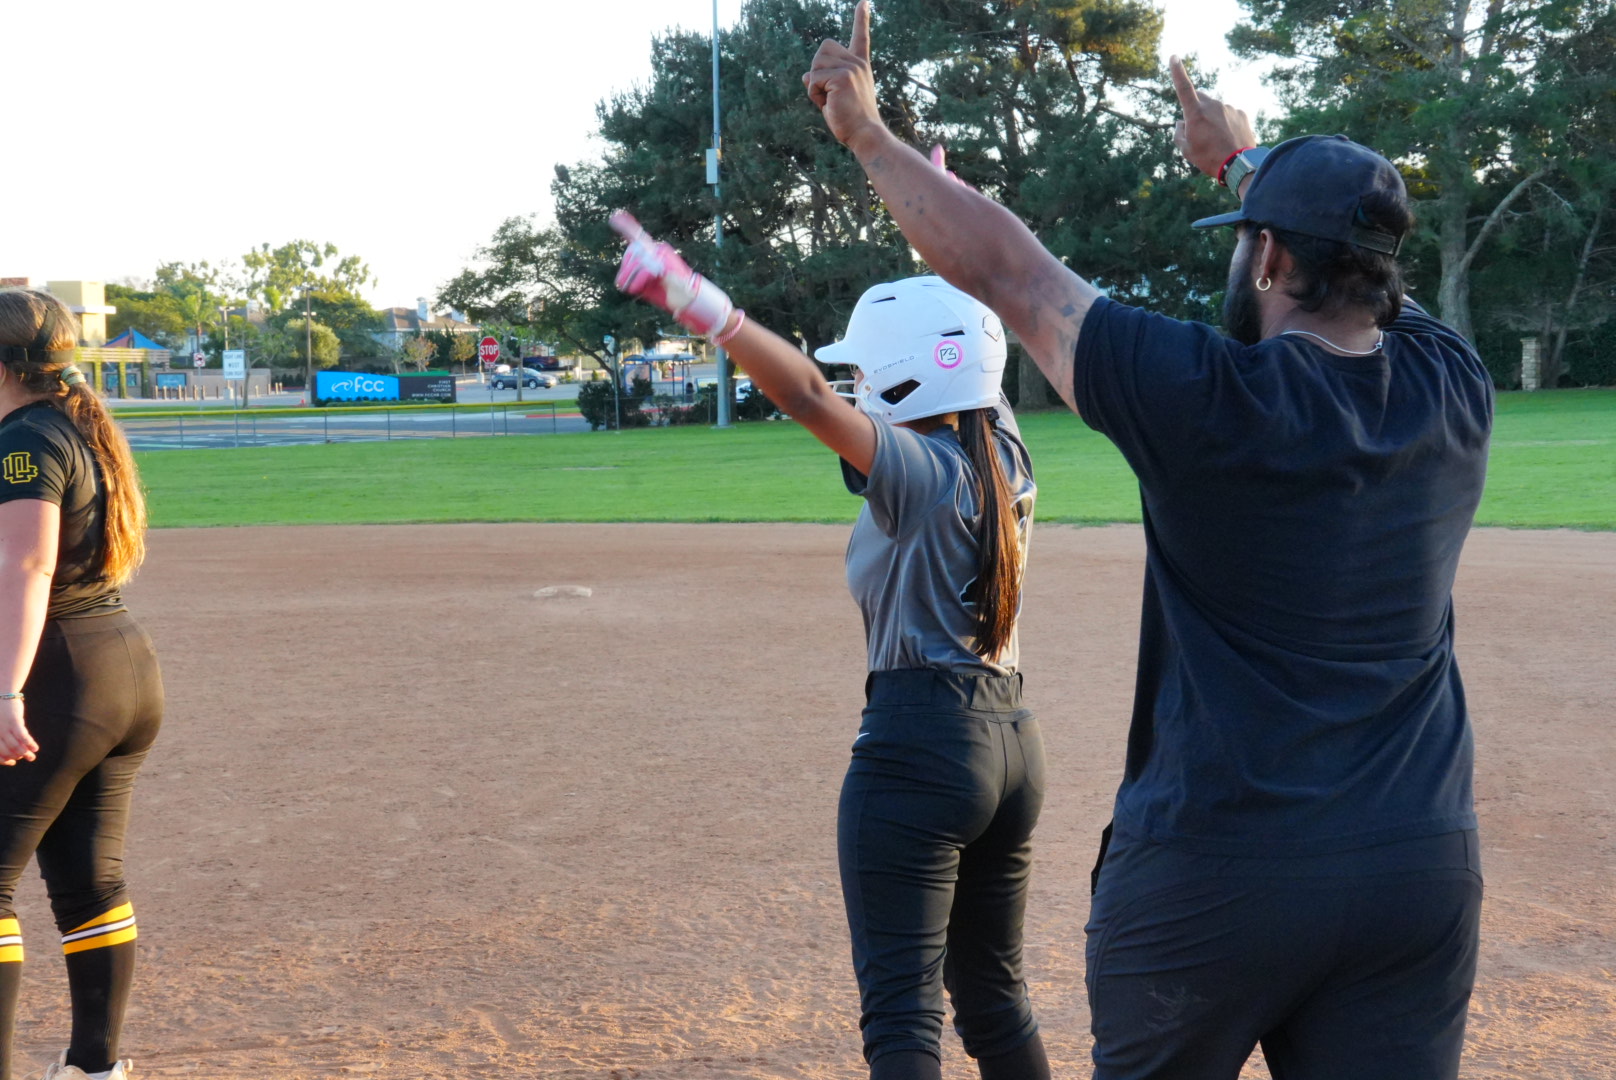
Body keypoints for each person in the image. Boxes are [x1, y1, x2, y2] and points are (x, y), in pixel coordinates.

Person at [805, 5, 1492, 1078]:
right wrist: (1246, 166)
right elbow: (1368, 277)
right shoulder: (1455, 388)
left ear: (1267, 258)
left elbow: (1011, 275)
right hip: (1415, 867)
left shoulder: (1207, 399)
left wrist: (866, 134)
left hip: (1215, 877)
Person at [611, 214, 1050, 1080]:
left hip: (920, 750)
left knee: (903, 1018)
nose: (856, 383)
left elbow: (809, 397)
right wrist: (939, 231)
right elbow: (968, 345)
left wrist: (702, 305)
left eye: (868, 370)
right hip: (1012, 748)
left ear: (912, 373)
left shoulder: (921, 474)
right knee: (994, 999)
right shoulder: (1005, 449)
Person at [0, 289, 162, 1080]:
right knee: (88, 885)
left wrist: (7, 691)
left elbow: (27, 564)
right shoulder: (78, 425)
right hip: (121, 669)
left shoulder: (24, 438)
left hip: (60, 677)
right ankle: (95, 1069)